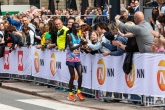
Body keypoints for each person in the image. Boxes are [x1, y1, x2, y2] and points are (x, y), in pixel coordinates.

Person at [66, 22, 86, 102]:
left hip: (77, 58)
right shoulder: (69, 36)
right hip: (70, 58)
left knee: (80, 74)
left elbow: (80, 46)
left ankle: (78, 92)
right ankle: (70, 94)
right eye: (76, 27)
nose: (78, 29)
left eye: (78, 27)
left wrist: (84, 46)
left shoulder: (78, 36)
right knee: (73, 76)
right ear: (72, 28)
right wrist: (81, 44)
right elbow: (71, 48)